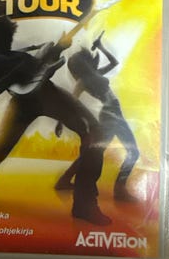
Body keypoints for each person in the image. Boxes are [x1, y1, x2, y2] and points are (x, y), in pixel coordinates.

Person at [0, 16, 111, 225]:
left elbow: (42, 66)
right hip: (22, 104)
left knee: (94, 132)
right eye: (3, 35)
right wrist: (16, 73)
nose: (8, 39)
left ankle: (85, 205)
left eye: (9, 35)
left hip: (48, 93)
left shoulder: (22, 55)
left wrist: (59, 48)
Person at [55, 34, 139, 202]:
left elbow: (114, 62)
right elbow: (71, 101)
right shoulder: (83, 81)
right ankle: (119, 189)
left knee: (94, 152)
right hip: (110, 116)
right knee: (132, 152)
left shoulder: (95, 73)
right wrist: (60, 122)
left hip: (114, 114)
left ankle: (64, 179)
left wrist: (101, 47)